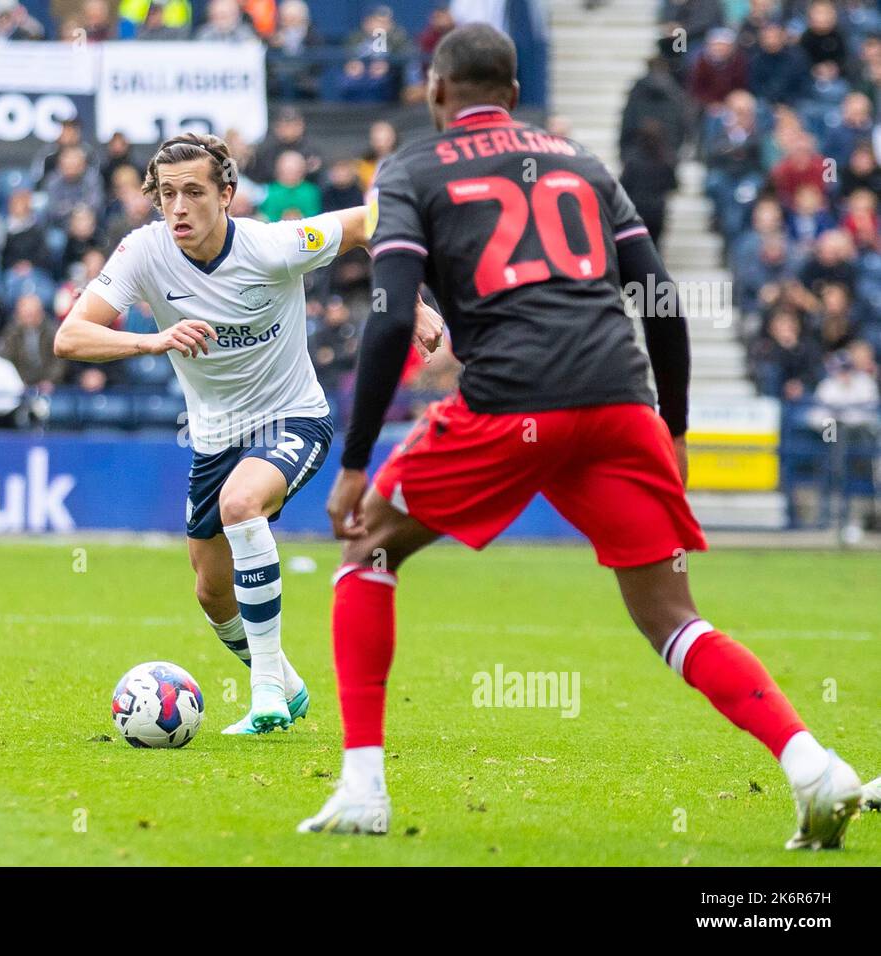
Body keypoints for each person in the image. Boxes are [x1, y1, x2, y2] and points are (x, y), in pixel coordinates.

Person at [300, 23, 865, 851]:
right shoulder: (582, 164)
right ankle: (813, 766)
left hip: (507, 402)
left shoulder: (413, 168)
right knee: (672, 617)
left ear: (434, 91)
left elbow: (388, 321)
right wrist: (671, 427)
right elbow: (662, 297)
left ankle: (361, 788)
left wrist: (354, 463)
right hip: (616, 400)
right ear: (516, 96)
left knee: (367, 551)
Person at [55, 132, 443, 735]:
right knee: (211, 591)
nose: (177, 207)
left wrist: (410, 301)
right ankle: (286, 685)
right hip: (214, 437)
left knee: (242, 506)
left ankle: (263, 693)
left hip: (292, 417)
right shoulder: (142, 252)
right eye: (166, 194)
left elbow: (375, 221)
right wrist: (151, 339)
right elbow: (70, 337)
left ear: (227, 194)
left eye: (193, 192)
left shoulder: (273, 245)